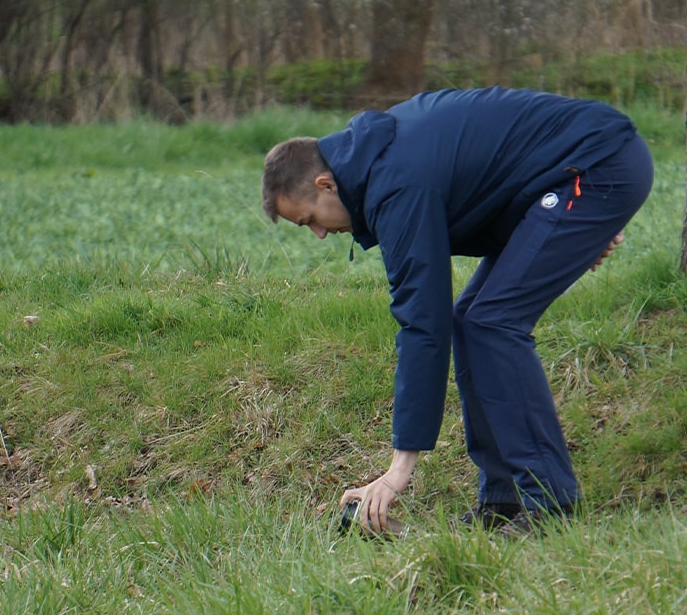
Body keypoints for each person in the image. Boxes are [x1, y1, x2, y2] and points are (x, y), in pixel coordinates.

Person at [261, 87, 653, 537]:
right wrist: (571, 235)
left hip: (600, 164)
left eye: (309, 219)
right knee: (475, 321)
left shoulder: (397, 183)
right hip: (570, 176)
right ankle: (502, 499)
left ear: (325, 185)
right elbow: (489, 185)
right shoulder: (379, 162)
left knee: (493, 322)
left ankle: (551, 504)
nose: (318, 235)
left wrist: (399, 468)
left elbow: (422, 323)